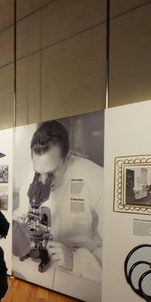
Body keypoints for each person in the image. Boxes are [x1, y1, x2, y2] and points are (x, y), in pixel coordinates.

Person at [14, 119, 103, 284]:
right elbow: (21, 217)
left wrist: (78, 261)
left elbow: (116, 247)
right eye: (38, 172)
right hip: (39, 269)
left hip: (83, 274)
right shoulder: (31, 177)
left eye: (51, 172)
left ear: (68, 156)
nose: (43, 180)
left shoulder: (96, 178)